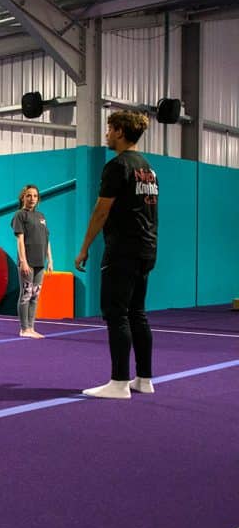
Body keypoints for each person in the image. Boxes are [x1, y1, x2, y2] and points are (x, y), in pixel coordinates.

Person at [75, 111, 159, 399]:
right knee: (137, 313)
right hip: (146, 248)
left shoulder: (117, 166)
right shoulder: (148, 168)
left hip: (123, 249)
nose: (107, 134)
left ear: (121, 132)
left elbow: (101, 210)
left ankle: (119, 382)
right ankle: (144, 378)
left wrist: (85, 246)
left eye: (110, 129)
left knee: (116, 314)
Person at [11, 185, 53, 338]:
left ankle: (31, 327)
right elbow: (20, 240)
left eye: (35, 196)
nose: (32, 199)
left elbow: (47, 239)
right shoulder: (20, 215)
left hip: (40, 262)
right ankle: (24, 329)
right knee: (26, 294)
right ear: (23, 197)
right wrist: (23, 261)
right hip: (27, 262)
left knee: (35, 295)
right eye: (29, 195)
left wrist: (50, 260)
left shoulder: (41, 216)